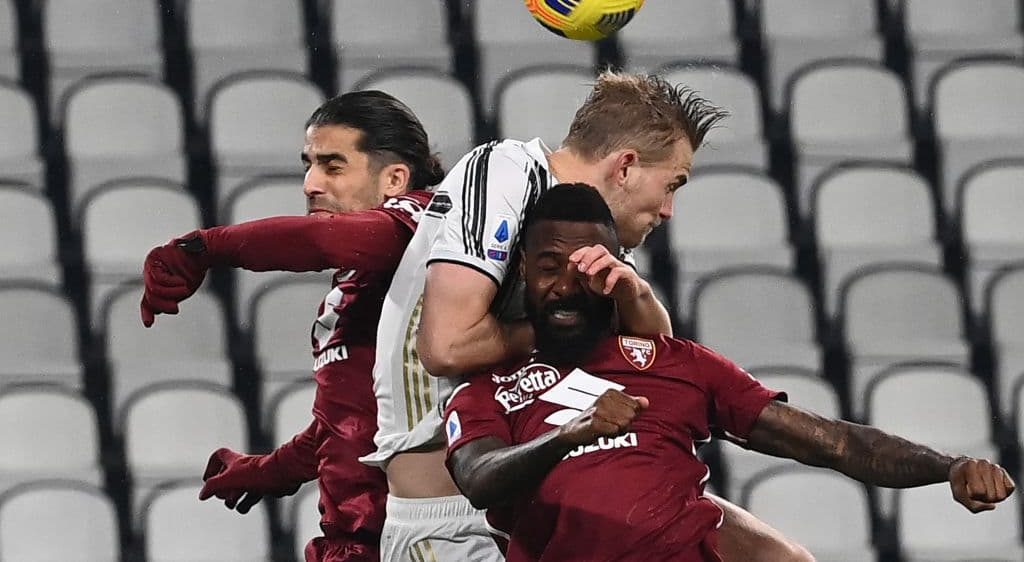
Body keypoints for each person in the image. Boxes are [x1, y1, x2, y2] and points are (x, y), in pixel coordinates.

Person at [366, 70, 815, 560]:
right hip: (455, 521)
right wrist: (564, 329)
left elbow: (649, 360)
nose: (668, 210)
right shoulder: (507, 173)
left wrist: (632, 294)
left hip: (548, 508)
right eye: (671, 185)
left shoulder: (595, 237)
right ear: (624, 167)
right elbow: (446, 346)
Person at [443, 182, 1016, 561]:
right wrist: (570, 434)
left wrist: (949, 466)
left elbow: (831, 443)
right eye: (548, 268)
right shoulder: (484, 389)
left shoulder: (677, 364)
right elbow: (479, 477)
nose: (565, 286)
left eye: (584, 268)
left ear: (615, 270)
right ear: (522, 270)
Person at [139, 91, 444, 562]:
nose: (310, 183)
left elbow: (322, 242)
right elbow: (348, 422)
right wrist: (271, 469)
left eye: (332, 166)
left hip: (420, 537)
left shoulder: (425, 227)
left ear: (395, 179)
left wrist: (203, 247)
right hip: (352, 540)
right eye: (308, 165)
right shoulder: (356, 286)